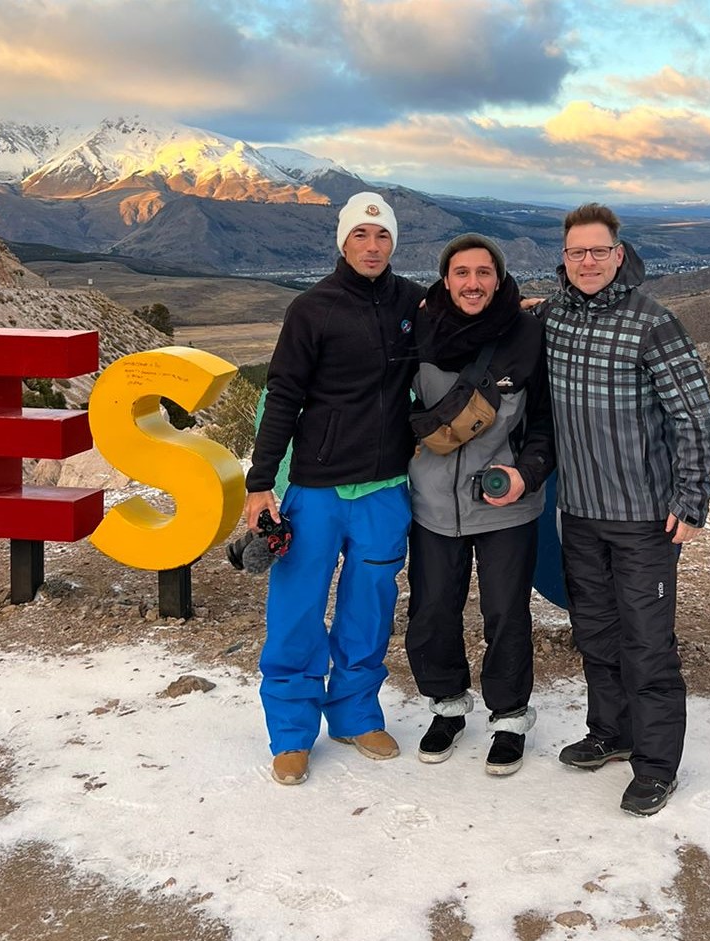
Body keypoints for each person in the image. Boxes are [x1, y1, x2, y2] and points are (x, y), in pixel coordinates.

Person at [540, 203, 710, 815]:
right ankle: (611, 732)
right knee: (594, 632)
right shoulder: (555, 316)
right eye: (576, 252)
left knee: (647, 642)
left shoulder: (653, 323)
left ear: (620, 255)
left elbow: (696, 416)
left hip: (644, 516)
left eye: (598, 251)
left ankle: (657, 764)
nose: (587, 262)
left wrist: (692, 500)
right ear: (563, 259)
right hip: (580, 512)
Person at [243, 192, 424, 786]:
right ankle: (292, 732)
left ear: (393, 242)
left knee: (368, 610)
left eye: (382, 237)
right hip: (316, 490)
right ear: (343, 242)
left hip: (385, 489)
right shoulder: (311, 309)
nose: (372, 247)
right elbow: (284, 396)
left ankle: (354, 715)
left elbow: (471, 326)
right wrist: (261, 483)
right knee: (296, 610)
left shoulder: (413, 303)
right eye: (360, 236)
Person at [404, 233, 554, 776]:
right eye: (462, 273)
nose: (473, 283)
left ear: (500, 278)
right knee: (433, 608)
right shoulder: (417, 328)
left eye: (484, 273)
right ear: (445, 279)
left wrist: (528, 473)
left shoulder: (526, 334)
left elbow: (544, 422)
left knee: (505, 611)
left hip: (506, 503)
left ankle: (510, 716)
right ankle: (446, 706)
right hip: (433, 502)